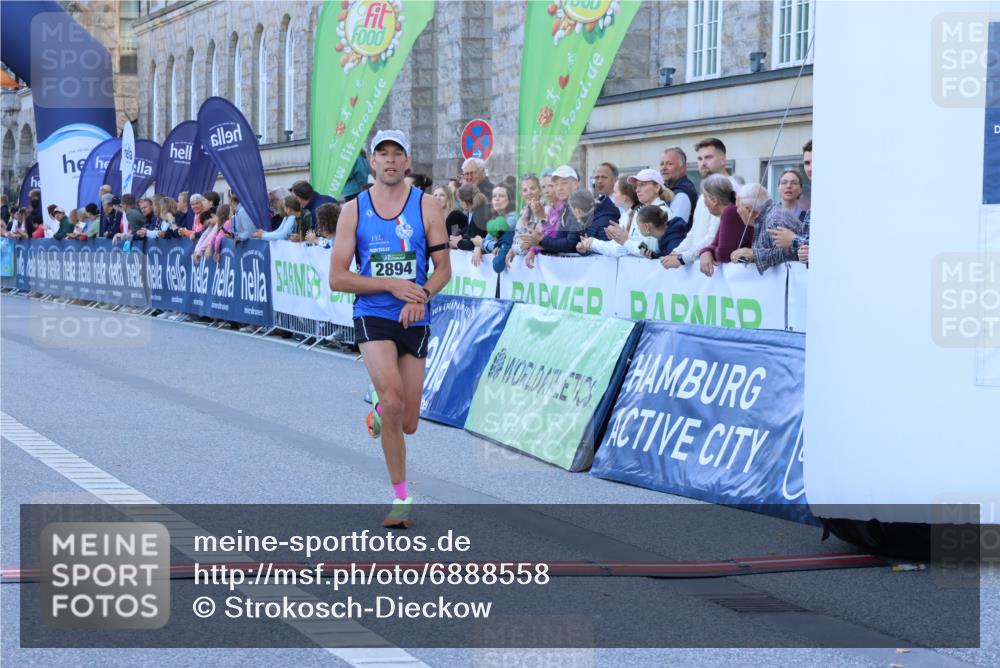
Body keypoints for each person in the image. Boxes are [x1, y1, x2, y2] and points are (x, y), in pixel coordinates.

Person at [328, 129, 450, 529]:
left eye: (398, 153)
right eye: (383, 154)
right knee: (395, 400)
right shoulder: (354, 210)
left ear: (408, 162)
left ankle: (382, 413)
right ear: (373, 162)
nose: (391, 160)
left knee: (407, 421)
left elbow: (444, 270)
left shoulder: (428, 206)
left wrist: (420, 297)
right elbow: (338, 278)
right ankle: (400, 497)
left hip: (415, 316)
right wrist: (390, 285)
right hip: (373, 313)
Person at [662, 138, 730, 269]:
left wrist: (682, 258)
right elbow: (694, 232)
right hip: (698, 267)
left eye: (708, 157)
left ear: (723, 160)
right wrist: (676, 252)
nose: (703, 163)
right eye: (699, 159)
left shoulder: (730, 190)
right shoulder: (702, 195)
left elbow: (714, 235)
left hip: (716, 270)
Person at [592, 169, 671, 257]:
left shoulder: (662, 211)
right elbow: (640, 245)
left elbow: (650, 250)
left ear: (657, 187)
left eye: (642, 184)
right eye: (636, 186)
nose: (637, 189)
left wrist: (625, 240)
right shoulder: (640, 212)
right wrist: (619, 236)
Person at [729, 183, 803, 273]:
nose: (737, 211)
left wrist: (754, 254)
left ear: (749, 209)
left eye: (738, 207)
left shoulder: (774, 220)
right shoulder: (769, 215)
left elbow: (788, 253)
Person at [695, 174, 746, 277]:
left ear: (714, 201)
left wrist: (709, 252)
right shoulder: (729, 211)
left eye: (705, 197)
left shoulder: (731, 212)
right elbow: (715, 244)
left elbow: (724, 254)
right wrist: (706, 251)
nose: (704, 203)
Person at [577, 176, 641, 257]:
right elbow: (614, 246)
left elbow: (621, 250)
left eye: (615, 192)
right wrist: (589, 246)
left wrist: (593, 243)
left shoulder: (638, 216)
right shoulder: (625, 216)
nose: (613, 195)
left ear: (624, 198)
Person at [503, 174, 546, 268]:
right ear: (521, 194)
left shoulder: (546, 210)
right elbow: (517, 240)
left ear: (540, 190)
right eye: (525, 190)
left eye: (532, 188)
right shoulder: (523, 214)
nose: (529, 192)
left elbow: (533, 241)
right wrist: (513, 249)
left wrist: (516, 248)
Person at [473, 184, 516, 268]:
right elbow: (488, 240)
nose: (497, 199)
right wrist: (478, 247)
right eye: (494, 196)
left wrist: (482, 244)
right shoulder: (496, 219)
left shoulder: (513, 218)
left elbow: (499, 245)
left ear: (510, 200)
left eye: (501, 196)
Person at [659, 147, 697, 227]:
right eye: (662, 164)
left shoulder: (682, 193)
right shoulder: (668, 189)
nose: (664, 168)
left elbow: (674, 228)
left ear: (682, 168)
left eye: (669, 164)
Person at [454, 183, 490, 251]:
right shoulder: (477, 211)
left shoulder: (479, 214)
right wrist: (461, 236)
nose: (460, 204)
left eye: (460, 201)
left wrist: (458, 243)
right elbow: (469, 232)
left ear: (465, 202)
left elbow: (473, 243)